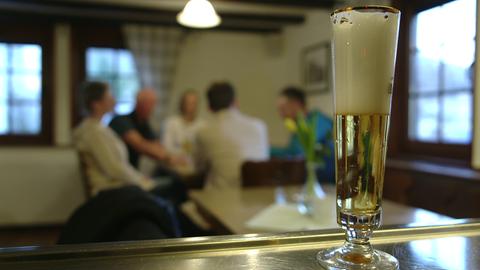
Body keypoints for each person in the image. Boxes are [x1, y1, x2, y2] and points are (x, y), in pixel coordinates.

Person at [73, 81, 157, 195]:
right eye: (109, 96)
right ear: (96, 104)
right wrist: (142, 181)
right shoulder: (93, 132)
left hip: (117, 188)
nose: (113, 100)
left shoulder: (99, 128)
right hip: (110, 193)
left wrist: (140, 178)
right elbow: (115, 168)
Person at [195, 82, 269, 189]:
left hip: (220, 200)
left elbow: (199, 168)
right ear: (235, 102)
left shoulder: (203, 132)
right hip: (258, 199)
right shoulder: (260, 126)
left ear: (209, 107)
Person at [271, 86, 335, 184]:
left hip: (325, 184)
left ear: (296, 104)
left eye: (283, 109)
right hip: (307, 182)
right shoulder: (299, 125)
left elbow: (298, 152)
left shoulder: (318, 121)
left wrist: (266, 149)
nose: (281, 114)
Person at [109, 88, 169, 168]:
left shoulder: (143, 123)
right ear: (139, 103)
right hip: (117, 174)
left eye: (153, 104)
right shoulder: (120, 121)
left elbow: (158, 146)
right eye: (149, 104)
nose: (152, 109)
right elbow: (140, 146)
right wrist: (166, 156)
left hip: (130, 172)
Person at [163, 90, 204, 174]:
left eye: (194, 103)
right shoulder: (171, 123)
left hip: (195, 170)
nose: (191, 107)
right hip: (174, 169)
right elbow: (166, 148)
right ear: (182, 104)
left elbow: (202, 152)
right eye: (188, 103)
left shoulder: (203, 126)